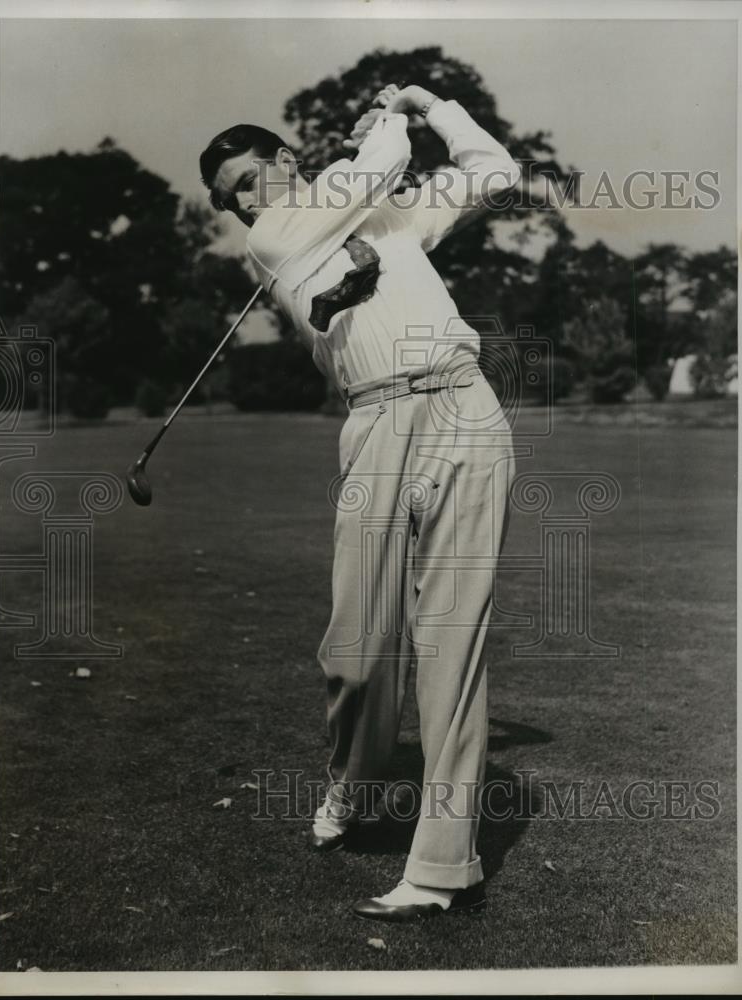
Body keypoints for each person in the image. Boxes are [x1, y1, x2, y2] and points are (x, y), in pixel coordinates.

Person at [200, 83, 521, 923]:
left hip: (461, 403)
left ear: (284, 159)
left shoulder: (384, 214)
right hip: (375, 419)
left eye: (251, 176)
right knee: (357, 645)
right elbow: (380, 162)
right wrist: (386, 121)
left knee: (451, 637)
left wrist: (429, 101)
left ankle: (442, 870)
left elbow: (493, 168)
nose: (247, 200)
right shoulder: (277, 238)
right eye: (233, 195)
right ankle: (351, 786)